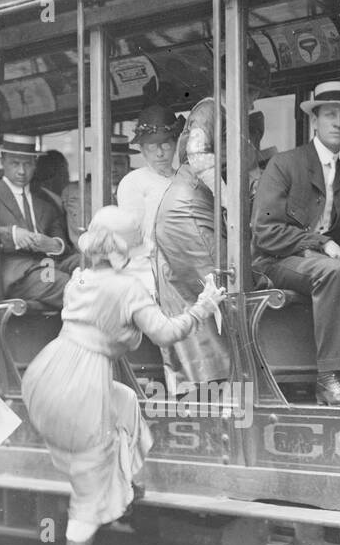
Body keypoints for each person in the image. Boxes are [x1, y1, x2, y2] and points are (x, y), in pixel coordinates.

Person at [21, 207, 224, 545]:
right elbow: (166, 333)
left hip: (50, 371)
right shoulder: (126, 288)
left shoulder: (79, 276)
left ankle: (129, 480)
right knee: (88, 495)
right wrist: (203, 306)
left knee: (127, 400)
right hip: (82, 383)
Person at [252, 80, 340, 406]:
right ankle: (329, 379)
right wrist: (321, 244)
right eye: (330, 115)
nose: (338, 123)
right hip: (278, 261)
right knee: (332, 271)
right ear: (315, 120)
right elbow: (265, 232)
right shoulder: (285, 165)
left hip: (325, 265)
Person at [154, 98, 239, 384]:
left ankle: (208, 380)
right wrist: (229, 201)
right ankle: (225, 381)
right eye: (251, 89)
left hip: (191, 207)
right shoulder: (211, 108)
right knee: (224, 283)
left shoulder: (223, 112)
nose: (253, 98)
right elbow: (198, 152)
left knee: (204, 291)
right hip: (189, 211)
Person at [0, 133, 78, 309]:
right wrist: (12, 235)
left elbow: (61, 240)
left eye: (27, 164)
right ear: (2, 161)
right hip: (17, 275)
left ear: (35, 164)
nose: (21, 171)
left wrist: (55, 245)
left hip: (48, 266)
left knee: (87, 264)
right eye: (15, 163)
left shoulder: (46, 200)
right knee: (69, 285)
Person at [117, 105, 181, 253]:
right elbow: (132, 232)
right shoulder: (133, 182)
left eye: (165, 145)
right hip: (148, 260)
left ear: (175, 145)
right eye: (152, 147)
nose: (160, 153)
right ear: (142, 149)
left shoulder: (185, 178)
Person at [62, 135, 137, 238]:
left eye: (118, 163)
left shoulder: (137, 191)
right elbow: (84, 237)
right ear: (96, 164)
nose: (113, 168)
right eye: (107, 162)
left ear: (128, 165)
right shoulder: (80, 194)